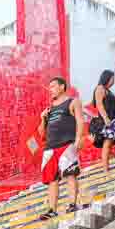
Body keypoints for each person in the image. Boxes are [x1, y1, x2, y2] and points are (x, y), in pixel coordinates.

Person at [38, 77, 85, 220]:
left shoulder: (72, 101)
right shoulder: (49, 109)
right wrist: (43, 118)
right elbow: (41, 134)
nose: (50, 89)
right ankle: (52, 209)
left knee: (70, 174)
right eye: (49, 87)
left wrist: (78, 139)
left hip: (66, 144)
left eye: (53, 86)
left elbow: (80, 120)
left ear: (62, 87)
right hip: (50, 147)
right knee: (52, 180)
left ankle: (72, 204)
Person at [92, 70, 115, 172]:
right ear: (107, 78)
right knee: (107, 143)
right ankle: (105, 169)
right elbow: (99, 104)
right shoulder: (100, 88)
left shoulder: (108, 90)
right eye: (112, 78)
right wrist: (106, 118)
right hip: (108, 120)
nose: (113, 81)